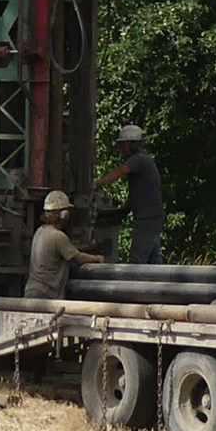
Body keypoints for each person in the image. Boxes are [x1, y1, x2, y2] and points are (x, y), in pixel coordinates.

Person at [101, 124, 165, 264]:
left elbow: (119, 172)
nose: (121, 149)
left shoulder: (138, 159)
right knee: (154, 261)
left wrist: (96, 184)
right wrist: (122, 211)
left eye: (123, 145)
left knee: (137, 261)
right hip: (153, 218)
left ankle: (136, 285)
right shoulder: (145, 161)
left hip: (146, 219)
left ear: (131, 144)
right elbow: (138, 194)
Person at [21, 190, 98, 302]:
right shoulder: (58, 236)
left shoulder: (40, 231)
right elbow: (78, 258)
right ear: (63, 215)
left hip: (31, 291)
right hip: (46, 295)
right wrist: (97, 258)